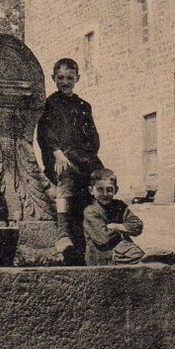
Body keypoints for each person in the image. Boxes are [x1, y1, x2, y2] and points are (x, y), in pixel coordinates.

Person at [36, 57, 101, 260]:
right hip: (60, 158)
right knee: (66, 175)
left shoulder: (84, 106)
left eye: (70, 78)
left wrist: (90, 156)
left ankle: (104, 226)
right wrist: (57, 153)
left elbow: (93, 137)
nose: (65, 82)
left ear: (77, 78)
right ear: (53, 78)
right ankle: (62, 232)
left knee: (103, 177)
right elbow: (45, 133)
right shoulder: (50, 104)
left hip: (83, 157)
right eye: (61, 78)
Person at [83, 167, 145, 266]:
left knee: (143, 259)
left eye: (109, 189)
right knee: (140, 260)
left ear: (116, 190)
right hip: (100, 259)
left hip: (122, 253)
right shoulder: (91, 211)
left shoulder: (119, 206)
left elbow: (137, 225)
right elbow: (103, 238)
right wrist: (123, 231)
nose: (105, 194)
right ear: (91, 190)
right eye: (100, 189)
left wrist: (115, 226)